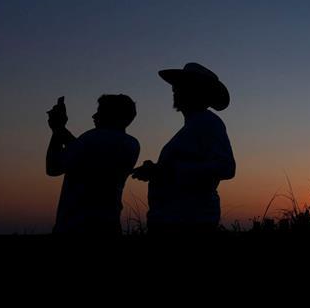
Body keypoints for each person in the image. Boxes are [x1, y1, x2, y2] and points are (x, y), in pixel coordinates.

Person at [132, 62, 236, 234]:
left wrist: (166, 171)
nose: (174, 89)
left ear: (195, 91)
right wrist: (158, 170)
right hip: (177, 220)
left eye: (180, 85)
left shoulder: (208, 123)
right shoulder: (196, 125)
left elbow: (226, 167)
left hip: (188, 223)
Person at [46, 94, 140, 235]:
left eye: (100, 111)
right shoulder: (132, 145)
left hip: (75, 227)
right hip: (109, 225)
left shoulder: (90, 139)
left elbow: (53, 167)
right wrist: (60, 130)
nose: (94, 116)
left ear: (110, 114)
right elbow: (87, 152)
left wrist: (57, 129)